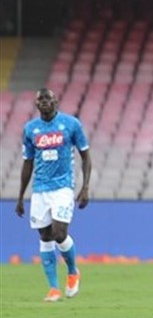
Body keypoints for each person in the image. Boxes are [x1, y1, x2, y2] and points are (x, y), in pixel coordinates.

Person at [15, 88, 91, 302]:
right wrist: (20, 197)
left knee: (59, 233)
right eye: (40, 99)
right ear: (36, 104)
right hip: (40, 189)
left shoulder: (71, 124)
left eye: (48, 98)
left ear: (56, 101)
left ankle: (73, 271)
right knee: (45, 236)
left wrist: (85, 187)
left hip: (63, 187)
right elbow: (27, 163)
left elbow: (86, 156)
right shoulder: (30, 129)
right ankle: (54, 289)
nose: (44, 102)